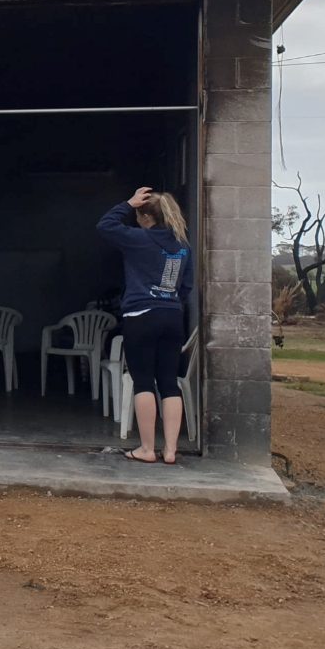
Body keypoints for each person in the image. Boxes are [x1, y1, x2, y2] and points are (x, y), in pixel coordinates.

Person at [97, 187, 194, 465]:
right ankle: (172, 450)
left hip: (140, 316)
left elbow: (105, 226)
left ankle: (148, 449)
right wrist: (169, 301)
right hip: (172, 317)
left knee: (143, 381)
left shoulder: (138, 239)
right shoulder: (183, 247)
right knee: (169, 382)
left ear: (144, 216)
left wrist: (127, 202)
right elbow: (186, 286)